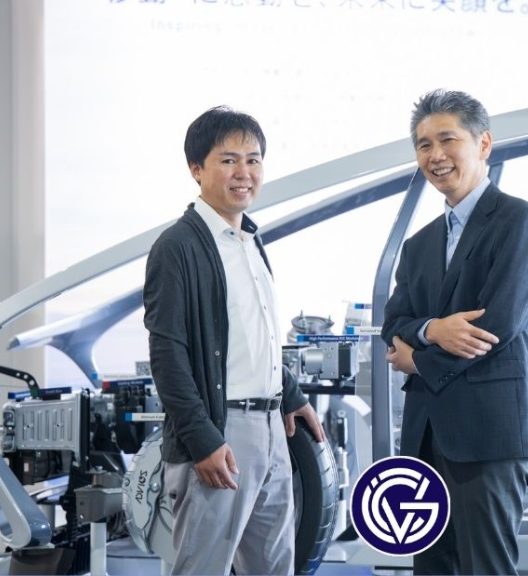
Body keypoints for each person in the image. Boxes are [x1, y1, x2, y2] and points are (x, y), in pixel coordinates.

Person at [143, 105, 323, 575]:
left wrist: (291, 393)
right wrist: (202, 440)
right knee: (203, 568)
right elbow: (167, 354)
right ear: (196, 169)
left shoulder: (248, 241)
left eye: (254, 159)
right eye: (228, 160)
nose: (244, 172)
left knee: (274, 566)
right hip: (223, 432)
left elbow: (251, 338)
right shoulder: (178, 246)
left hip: (269, 430)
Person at [382, 89, 528, 575]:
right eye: (423, 144)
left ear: (483, 144)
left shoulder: (518, 222)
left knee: (487, 568)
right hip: (425, 435)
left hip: (489, 436)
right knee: (431, 569)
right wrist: (432, 329)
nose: (434, 155)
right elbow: (395, 324)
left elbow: (496, 324)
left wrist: (418, 358)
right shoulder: (419, 245)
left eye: (446, 140)